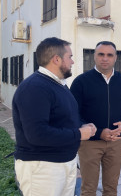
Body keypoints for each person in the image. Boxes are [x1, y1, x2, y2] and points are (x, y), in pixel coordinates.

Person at [12, 37, 96, 196]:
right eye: (69, 57)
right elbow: (37, 134)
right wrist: (78, 134)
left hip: (63, 163)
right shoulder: (35, 88)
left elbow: (63, 119)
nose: (72, 62)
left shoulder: (59, 85)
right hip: (43, 168)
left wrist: (82, 127)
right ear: (56, 59)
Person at [70, 41, 121, 196]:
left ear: (115, 58)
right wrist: (98, 132)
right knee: (88, 189)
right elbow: (73, 114)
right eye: (101, 54)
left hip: (116, 142)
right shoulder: (81, 82)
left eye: (109, 55)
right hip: (89, 144)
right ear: (94, 56)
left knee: (111, 188)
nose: (105, 58)